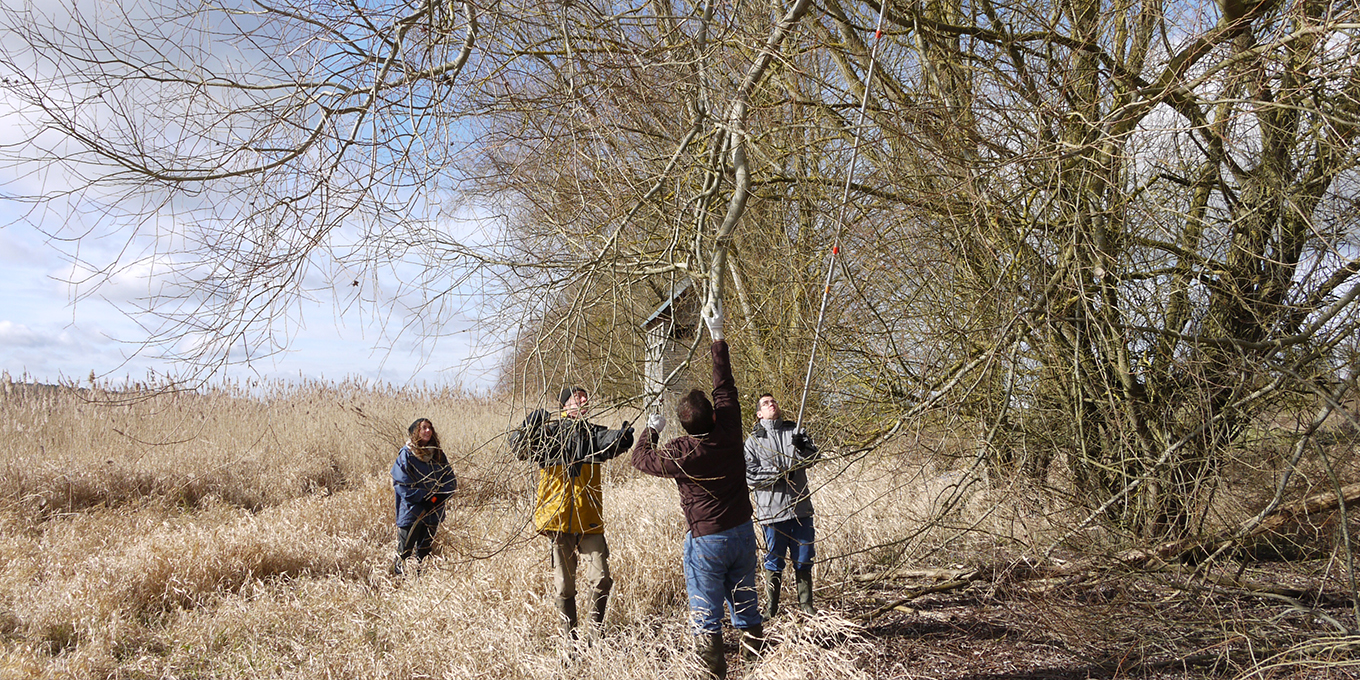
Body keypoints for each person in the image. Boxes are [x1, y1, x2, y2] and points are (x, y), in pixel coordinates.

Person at [631, 300, 763, 679]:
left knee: (706, 615)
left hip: (706, 541)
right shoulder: (730, 430)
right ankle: (758, 670)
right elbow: (725, 385)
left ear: (684, 426)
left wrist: (651, 430)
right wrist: (716, 333)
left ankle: (714, 675)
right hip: (741, 533)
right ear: (714, 414)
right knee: (747, 608)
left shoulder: (679, 453)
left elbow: (641, 459)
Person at [510, 386, 634, 639]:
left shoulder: (593, 433)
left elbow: (610, 444)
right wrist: (531, 423)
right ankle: (570, 640)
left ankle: (594, 636)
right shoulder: (549, 433)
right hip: (557, 520)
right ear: (565, 405)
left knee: (601, 580)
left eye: (586, 397)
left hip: (589, 520)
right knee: (565, 587)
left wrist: (623, 436)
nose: (585, 400)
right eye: (578, 397)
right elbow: (519, 447)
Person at [745, 393, 820, 617]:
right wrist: (779, 474)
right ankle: (771, 609)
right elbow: (750, 476)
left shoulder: (796, 431)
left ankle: (807, 607)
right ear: (759, 414)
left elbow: (814, 458)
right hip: (772, 513)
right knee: (773, 561)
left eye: (773, 401)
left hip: (800, 509)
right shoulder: (753, 441)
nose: (771, 405)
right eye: (766, 403)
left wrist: (804, 448)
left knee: (804, 558)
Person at [390, 417, 458, 575]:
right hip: (412, 511)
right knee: (405, 551)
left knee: (425, 551)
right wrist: (424, 498)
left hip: (433, 510)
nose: (428, 431)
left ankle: (421, 581)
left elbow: (450, 481)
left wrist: (436, 500)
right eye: (424, 428)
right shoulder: (406, 454)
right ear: (416, 432)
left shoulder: (438, 455)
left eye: (430, 428)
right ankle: (399, 582)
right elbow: (402, 484)